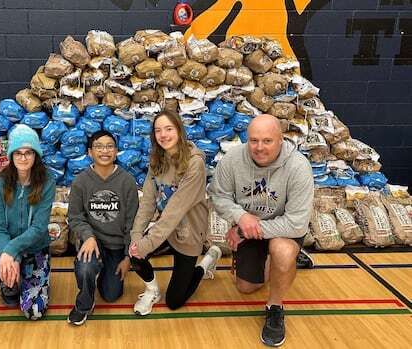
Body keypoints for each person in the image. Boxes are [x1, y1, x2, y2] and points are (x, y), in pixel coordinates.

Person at [208, 114, 314, 347]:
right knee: (245, 287)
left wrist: (245, 230)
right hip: (250, 224)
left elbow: (296, 223)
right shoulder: (232, 160)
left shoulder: (298, 166)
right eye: (253, 140)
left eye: (267, 141)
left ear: (281, 140)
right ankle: (280, 262)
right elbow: (219, 196)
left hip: (283, 229)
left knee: (283, 251)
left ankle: (274, 307)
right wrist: (240, 216)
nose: (259, 147)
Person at [129, 111, 222, 316]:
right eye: (158, 130)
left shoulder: (194, 164)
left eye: (169, 129)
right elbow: (147, 203)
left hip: (189, 233)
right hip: (166, 230)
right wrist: (136, 238)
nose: (163, 135)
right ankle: (152, 291)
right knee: (134, 254)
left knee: (175, 300)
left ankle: (206, 262)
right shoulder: (157, 161)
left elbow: (174, 211)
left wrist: (146, 244)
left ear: (179, 130)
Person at [67, 130, 139, 325]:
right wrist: (88, 236)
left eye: (109, 146)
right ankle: (84, 303)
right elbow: (74, 217)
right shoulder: (81, 181)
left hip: (116, 246)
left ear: (116, 152)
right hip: (92, 243)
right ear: (90, 152)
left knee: (111, 294)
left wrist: (127, 257)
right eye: (99, 146)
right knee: (85, 267)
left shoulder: (127, 182)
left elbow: (132, 222)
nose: (104, 151)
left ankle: (104, 274)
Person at [0, 124, 56, 320]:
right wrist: (11, 255)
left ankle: (36, 279)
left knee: (34, 312)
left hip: (36, 248)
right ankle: (13, 283)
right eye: (18, 153)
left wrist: (12, 252)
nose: (23, 158)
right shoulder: (0, 185)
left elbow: (38, 228)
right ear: (11, 156)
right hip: (7, 246)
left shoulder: (47, 182)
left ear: (36, 155)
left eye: (28, 152)